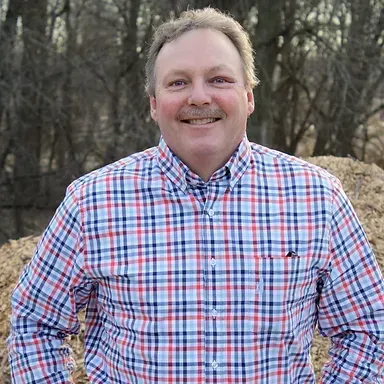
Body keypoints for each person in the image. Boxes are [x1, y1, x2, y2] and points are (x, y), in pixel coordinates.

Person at [8, 7, 384, 384]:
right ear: (154, 104)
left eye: (219, 79)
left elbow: (368, 329)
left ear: (248, 96)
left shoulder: (317, 198)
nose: (200, 97)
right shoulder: (91, 203)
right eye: (178, 83)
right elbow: (35, 325)